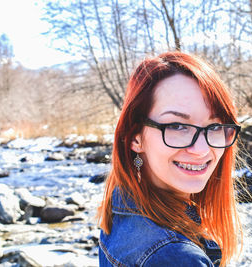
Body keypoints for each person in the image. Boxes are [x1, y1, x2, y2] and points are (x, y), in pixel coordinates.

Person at [98, 51, 241, 267]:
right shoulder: (175, 256)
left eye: (215, 127)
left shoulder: (123, 201)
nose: (201, 150)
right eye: (177, 126)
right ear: (135, 138)